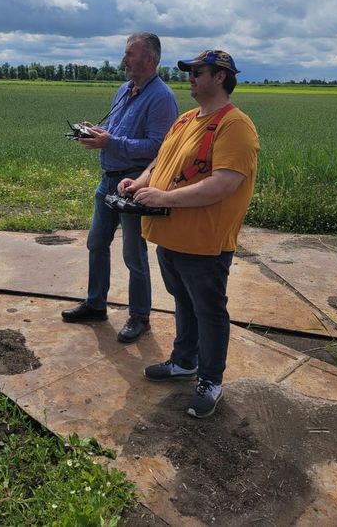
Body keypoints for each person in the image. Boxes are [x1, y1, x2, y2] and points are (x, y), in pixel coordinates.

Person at [118, 49, 259, 417]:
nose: (191, 77)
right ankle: (184, 361)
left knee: (209, 310)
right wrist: (141, 181)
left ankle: (211, 380)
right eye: (190, 71)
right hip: (170, 235)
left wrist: (165, 196)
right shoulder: (185, 120)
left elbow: (224, 184)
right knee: (183, 301)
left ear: (220, 77)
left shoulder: (235, 125)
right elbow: (159, 161)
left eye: (199, 71)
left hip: (204, 241)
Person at [61, 33, 178, 343]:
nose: (125, 59)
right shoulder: (124, 90)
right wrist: (98, 133)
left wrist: (110, 142)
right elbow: (115, 132)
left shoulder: (162, 98)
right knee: (96, 243)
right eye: (126, 53)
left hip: (133, 184)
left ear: (149, 60)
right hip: (108, 180)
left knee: (133, 254)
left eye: (130, 54)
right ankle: (96, 304)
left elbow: (159, 147)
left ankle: (140, 317)